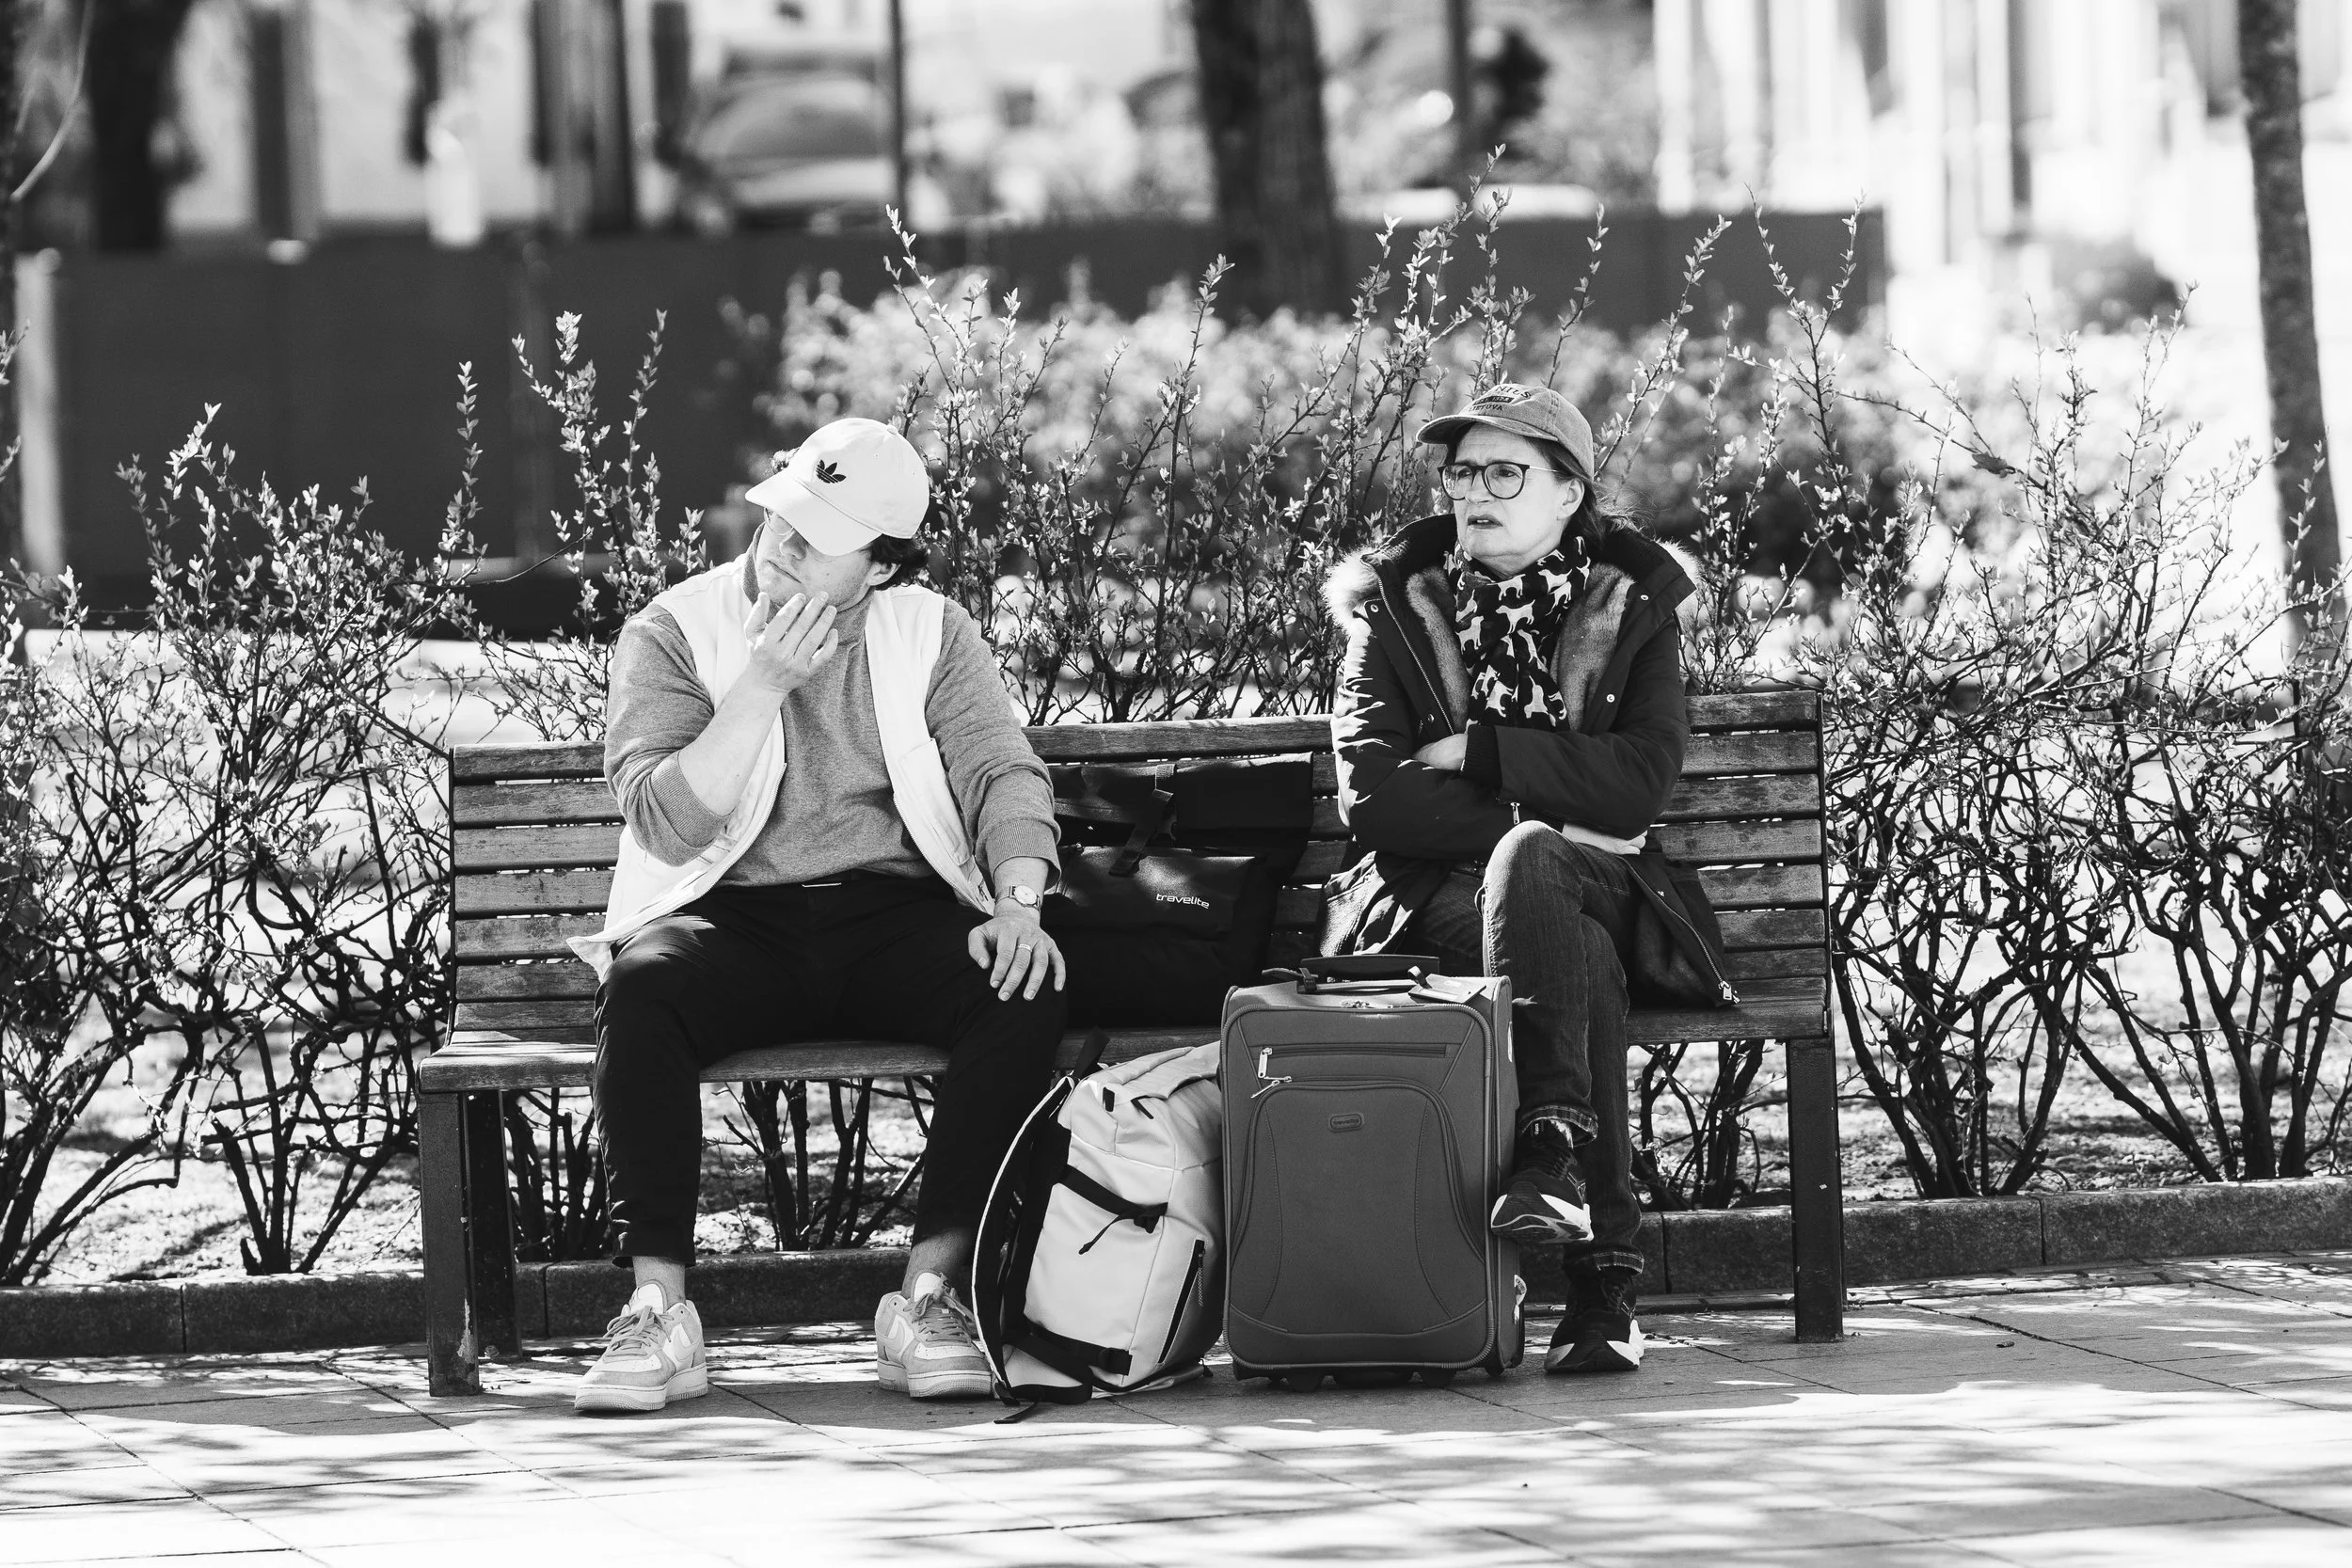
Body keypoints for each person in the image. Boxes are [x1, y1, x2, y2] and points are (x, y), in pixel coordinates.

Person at [568, 417, 1067, 1414]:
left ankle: (931, 1296)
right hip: (726, 911)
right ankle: (657, 1307)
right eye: (781, 517)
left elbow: (1000, 772)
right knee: (646, 986)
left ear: (880, 567)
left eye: (816, 534)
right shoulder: (676, 627)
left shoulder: (928, 630)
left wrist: (1019, 901)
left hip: (890, 913)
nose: (781, 544)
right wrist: (759, 688)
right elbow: (662, 825)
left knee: (1015, 984)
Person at [1319, 382, 1696, 1375]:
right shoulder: (1393, 609)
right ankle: (1599, 1272)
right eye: (1459, 473)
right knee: (1559, 929)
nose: (1473, 494)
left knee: (1536, 873)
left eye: (1503, 472)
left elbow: (1643, 778)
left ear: (1568, 492)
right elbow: (1377, 798)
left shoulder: (1633, 604)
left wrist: (1485, 749)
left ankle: (1555, 1166)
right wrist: (1558, 807)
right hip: (1424, 895)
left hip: (1605, 882)